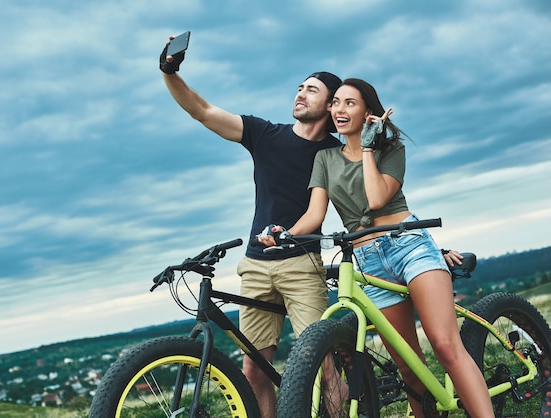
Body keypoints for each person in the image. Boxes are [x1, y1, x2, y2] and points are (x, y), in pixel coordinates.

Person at [260, 78, 494, 417]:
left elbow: (376, 198)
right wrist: (286, 232)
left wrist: (368, 147)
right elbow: (314, 214)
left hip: (408, 247)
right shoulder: (325, 159)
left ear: (369, 112)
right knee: (409, 364)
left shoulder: (390, 149)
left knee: (445, 345)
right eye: (335, 102)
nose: (339, 109)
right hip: (368, 260)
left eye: (349, 103)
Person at [159, 36, 343, 417]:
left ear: (330, 104)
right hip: (256, 265)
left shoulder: (335, 152)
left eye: (312, 90)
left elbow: (357, 203)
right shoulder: (265, 134)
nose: (301, 94)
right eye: (300, 88)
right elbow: (204, 111)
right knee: (254, 371)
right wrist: (170, 72)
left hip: (301, 264)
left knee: (323, 365)